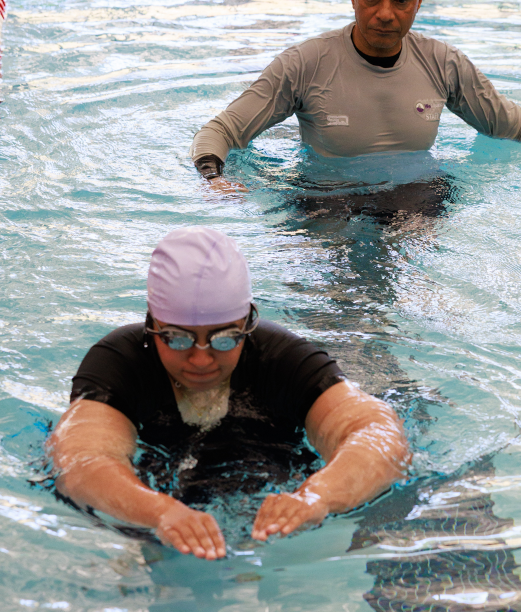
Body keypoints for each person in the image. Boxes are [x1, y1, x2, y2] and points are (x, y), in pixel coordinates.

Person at [48, 227, 409, 560]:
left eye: (224, 338)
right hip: (161, 507)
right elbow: (81, 462)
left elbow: (378, 434)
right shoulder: (121, 361)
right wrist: (157, 511)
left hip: (271, 493)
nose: (201, 358)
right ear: (151, 323)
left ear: (247, 323)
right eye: (177, 337)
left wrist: (318, 497)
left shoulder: (279, 357)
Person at [190, 0, 521, 191]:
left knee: (420, 298)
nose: (385, 13)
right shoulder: (304, 64)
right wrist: (215, 180)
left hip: (417, 197)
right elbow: (222, 130)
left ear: (418, 1)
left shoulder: (443, 63)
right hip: (325, 196)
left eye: (401, 0)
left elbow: (511, 123)